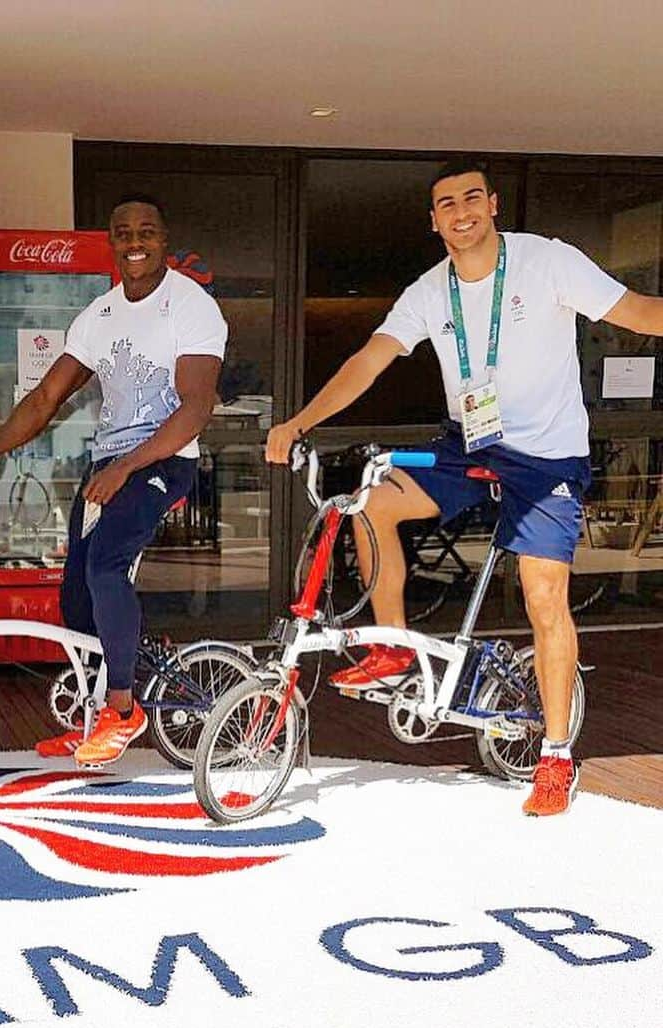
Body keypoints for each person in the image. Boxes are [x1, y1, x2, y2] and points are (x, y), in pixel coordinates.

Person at [266, 159, 663, 817]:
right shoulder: (428, 291)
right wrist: (301, 420)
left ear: (494, 204)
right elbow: (370, 358)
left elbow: (639, 310)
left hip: (545, 461)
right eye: (446, 202)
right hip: (468, 444)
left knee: (543, 596)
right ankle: (393, 649)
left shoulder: (547, 263)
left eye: (472, 197)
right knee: (369, 506)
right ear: (433, 219)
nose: (461, 211)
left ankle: (556, 756)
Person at [0, 194, 227, 768]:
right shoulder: (99, 316)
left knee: (106, 563)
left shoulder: (190, 305)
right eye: (124, 232)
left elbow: (196, 407)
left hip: (162, 463)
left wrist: (128, 466)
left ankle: (124, 710)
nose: (135, 241)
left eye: (147, 231)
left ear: (164, 239)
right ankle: (93, 716)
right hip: (108, 467)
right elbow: (45, 398)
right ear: (111, 241)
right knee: (76, 600)